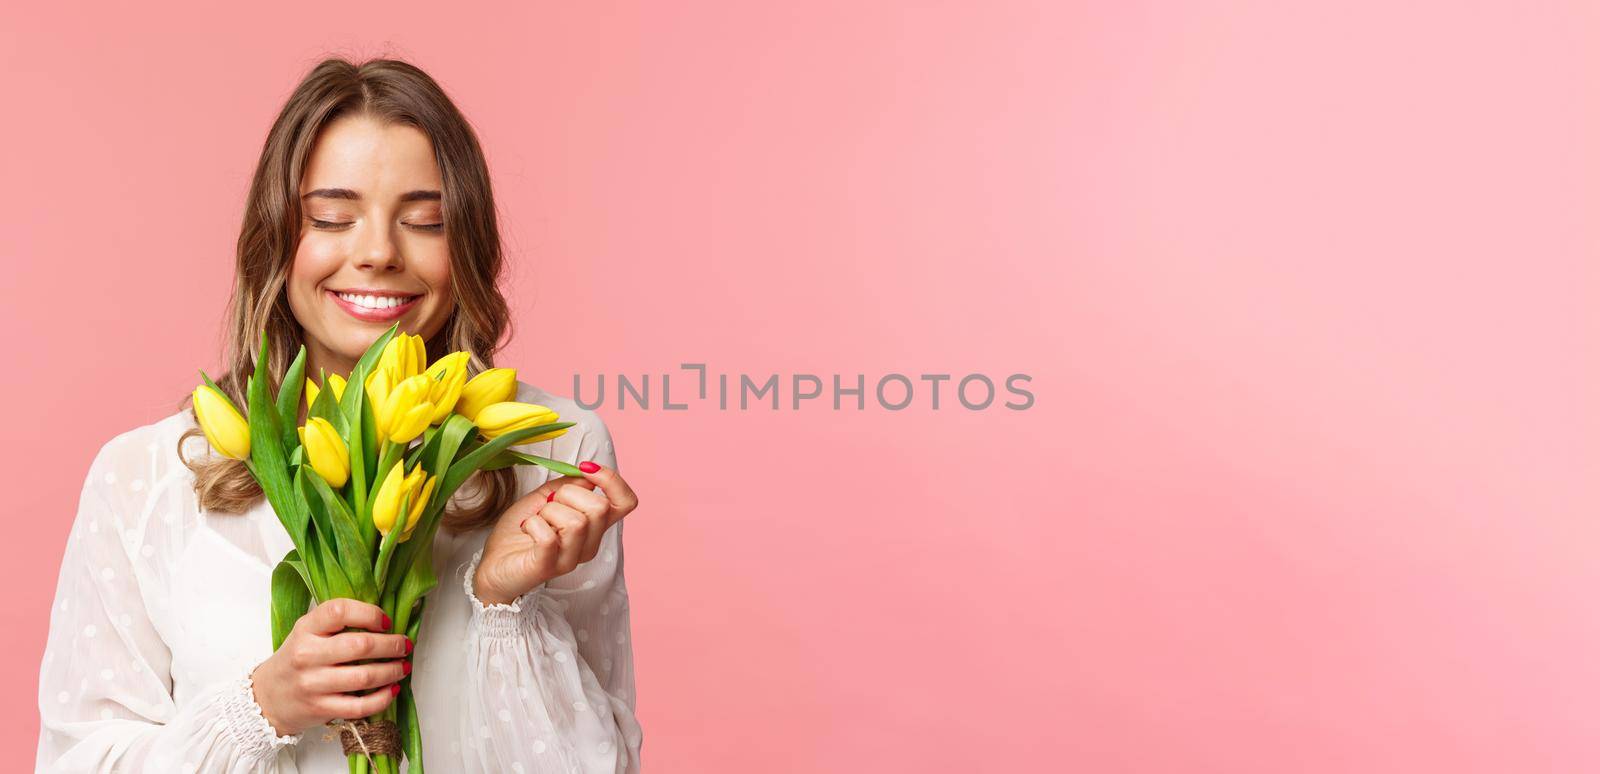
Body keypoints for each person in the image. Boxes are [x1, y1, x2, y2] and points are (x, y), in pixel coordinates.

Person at [35, 57, 644, 772]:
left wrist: (503, 603)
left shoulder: (551, 448)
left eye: (426, 222)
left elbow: (604, 761)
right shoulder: (146, 476)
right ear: (276, 238)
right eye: (332, 218)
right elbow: (78, 762)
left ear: (469, 242)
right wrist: (263, 706)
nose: (379, 253)